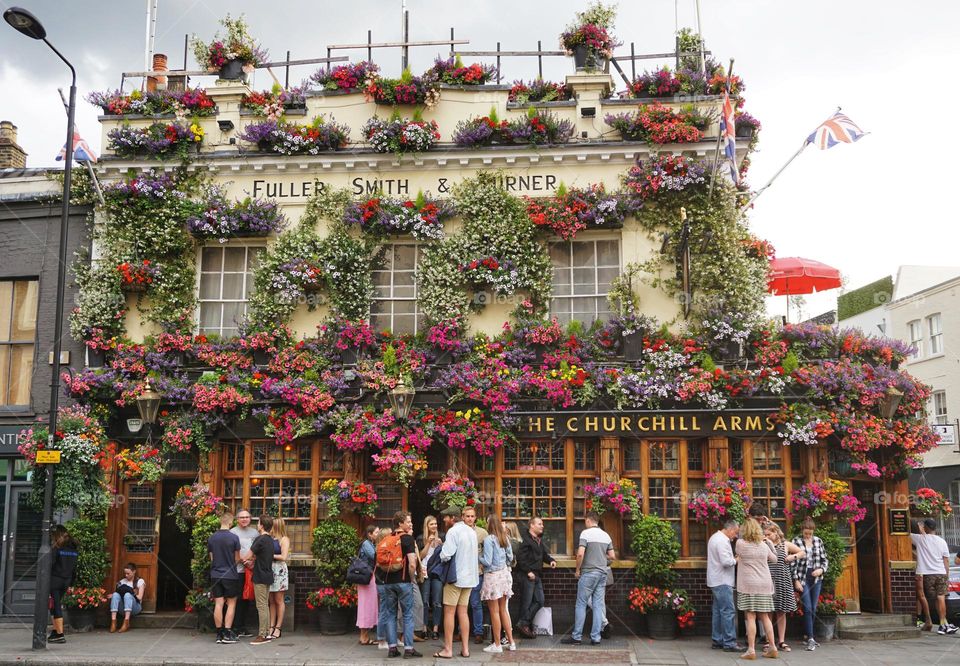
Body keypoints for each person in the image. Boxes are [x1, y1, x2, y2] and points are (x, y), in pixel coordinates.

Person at [561, 511, 615, 647]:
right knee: (597, 606)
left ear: (588, 520)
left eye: (585, 521)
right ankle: (596, 638)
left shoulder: (585, 533)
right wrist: (602, 560)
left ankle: (576, 637)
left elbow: (580, 554)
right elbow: (612, 556)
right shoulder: (606, 535)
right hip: (602, 574)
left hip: (588, 573)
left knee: (581, 604)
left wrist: (577, 570)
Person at [375, 511, 422, 659]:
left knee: (390, 615)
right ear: (400, 524)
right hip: (404, 582)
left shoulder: (387, 538)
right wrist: (411, 578)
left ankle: (392, 648)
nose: (410, 524)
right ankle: (408, 649)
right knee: (407, 615)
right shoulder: (407, 538)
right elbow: (412, 563)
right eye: (408, 521)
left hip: (388, 583)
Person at [435, 505, 478, 659]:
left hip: (455, 578)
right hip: (470, 578)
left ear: (452, 518)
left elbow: (446, 555)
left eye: (446, 517)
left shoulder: (453, 531)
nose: (444, 520)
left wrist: (440, 551)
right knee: (463, 613)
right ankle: (465, 649)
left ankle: (448, 649)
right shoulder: (472, 531)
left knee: (449, 612)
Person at [735, 518, 778, 660]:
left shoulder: (740, 544)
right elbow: (775, 559)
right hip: (764, 584)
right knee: (765, 616)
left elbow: (738, 555)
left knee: (750, 616)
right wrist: (770, 543)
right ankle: (772, 647)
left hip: (748, 585)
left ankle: (751, 650)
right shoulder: (764, 546)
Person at [763, 521, 805, 653]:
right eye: (765, 534)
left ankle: (781, 641)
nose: (767, 537)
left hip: (783, 580)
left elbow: (802, 552)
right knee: (768, 611)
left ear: (776, 532)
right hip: (768, 580)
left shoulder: (785, 544)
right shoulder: (764, 544)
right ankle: (769, 641)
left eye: (769, 534)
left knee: (781, 611)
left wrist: (793, 556)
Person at [911, 518, 958, 635]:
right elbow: (946, 560)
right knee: (940, 597)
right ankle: (943, 624)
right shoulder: (942, 541)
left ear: (925, 527)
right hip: (941, 572)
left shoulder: (920, 539)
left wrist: (920, 529)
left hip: (927, 574)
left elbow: (904, 533)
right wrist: (946, 574)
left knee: (928, 598)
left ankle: (935, 622)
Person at [479, 514, 516, 653]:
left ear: (489, 524)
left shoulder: (489, 539)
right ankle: (511, 642)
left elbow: (487, 561)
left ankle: (497, 644)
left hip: (492, 577)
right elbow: (510, 557)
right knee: (503, 610)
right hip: (504, 575)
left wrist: (478, 556)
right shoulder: (504, 537)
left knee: (494, 612)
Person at [515, 516, 556, 639]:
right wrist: (528, 571)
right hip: (527, 576)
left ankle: (523, 623)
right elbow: (520, 558)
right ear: (531, 525)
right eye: (539, 524)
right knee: (526, 603)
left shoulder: (538, 540)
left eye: (542, 524)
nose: (542, 526)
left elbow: (543, 554)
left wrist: (551, 560)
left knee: (540, 601)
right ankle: (524, 626)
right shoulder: (526, 540)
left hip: (536, 575)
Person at [790, 517, 827, 651]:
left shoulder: (818, 541)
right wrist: (796, 580)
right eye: (806, 533)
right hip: (803, 577)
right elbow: (793, 563)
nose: (808, 536)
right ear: (802, 531)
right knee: (808, 607)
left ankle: (808, 635)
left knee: (813, 608)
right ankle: (811, 638)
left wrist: (821, 570)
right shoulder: (796, 541)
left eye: (810, 533)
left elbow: (824, 560)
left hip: (816, 578)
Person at [707, 519, 743, 653]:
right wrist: (736, 559)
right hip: (723, 580)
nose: (736, 536)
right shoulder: (722, 541)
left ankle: (717, 640)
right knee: (728, 611)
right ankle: (729, 642)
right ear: (730, 529)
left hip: (715, 580)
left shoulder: (714, 538)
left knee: (718, 612)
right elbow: (726, 562)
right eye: (735, 532)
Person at [207, 511, 241, 645]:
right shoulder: (234, 538)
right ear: (231, 523)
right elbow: (237, 558)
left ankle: (218, 633)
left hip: (215, 574)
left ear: (220, 521)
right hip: (230, 575)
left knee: (218, 603)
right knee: (231, 603)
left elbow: (212, 558)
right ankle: (227, 632)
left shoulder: (212, 538)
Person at [230, 508, 259, 638]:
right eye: (242, 517)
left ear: (250, 518)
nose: (244, 519)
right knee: (236, 599)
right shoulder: (232, 532)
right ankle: (234, 627)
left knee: (247, 599)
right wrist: (242, 561)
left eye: (247, 517)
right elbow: (231, 552)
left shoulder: (255, 533)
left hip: (250, 570)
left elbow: (258, 550)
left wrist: (252, 561)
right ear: (237, 519)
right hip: (237, 571)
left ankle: (242, 627)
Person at [47, 525, 78, 644]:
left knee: (55, 605)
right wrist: (71, 583)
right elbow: (74, 570)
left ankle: (60, 634)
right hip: (66, 581)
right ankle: (55, 631)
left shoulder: (57, 549)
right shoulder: (73, 551)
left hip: (55, 580)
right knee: (54, 605)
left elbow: (50, 565)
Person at [463, 505, 488, 644]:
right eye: (467, 516)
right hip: (462, 573)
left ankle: (478, 632)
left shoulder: (482, 533)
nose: (470, 519)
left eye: (472, 516)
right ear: (463, 517)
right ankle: (461, 632)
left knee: (475, 603)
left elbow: (488, 551)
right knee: (462, 605)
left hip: (477, 572)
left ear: (475, 518)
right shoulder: (458, 531)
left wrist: (484, 564)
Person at [248, 515, 275, 645]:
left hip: (259, 575)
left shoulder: (260, 539)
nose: (257, 525)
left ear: (262, 525)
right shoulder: (270, 540)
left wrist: (239, 560)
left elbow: (248, 555)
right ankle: (267, 633)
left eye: (258, 523)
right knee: (265, 605)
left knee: (261, 606)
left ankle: (262, 634)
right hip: (268, 574)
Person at [417, 516, 443, 641]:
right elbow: (420, 556)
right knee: (425, 601)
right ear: (426, 526)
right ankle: (424, 628)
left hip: (437, 572)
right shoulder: (420, 538)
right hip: (425, 572)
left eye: (435, 523)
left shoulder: (441, 537)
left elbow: (444, 556)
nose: (434, 526)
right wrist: (428, 543)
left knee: (437, 601)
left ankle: (435, 629)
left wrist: (442, 545)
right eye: (431, 524)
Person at [357, 524, 380, 646]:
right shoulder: (367, 544)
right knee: (366, 606)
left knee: (368, 606)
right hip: (367, 578)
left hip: (368, 578)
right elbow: (376, 557)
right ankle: (364, 637)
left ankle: (364, 636)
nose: (378, 534)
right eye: (376, 532)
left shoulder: (371, 544)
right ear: (370, 534)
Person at [268, 516, 290, 640]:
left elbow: (284, 556)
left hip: (279, 570)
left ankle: (278, 627)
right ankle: (271, 626)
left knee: (279, 600)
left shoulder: (284, 539)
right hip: (269, 570)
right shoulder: (269, 538)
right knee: (271, 600)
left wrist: (269, 555)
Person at [109, 563, 145, 633]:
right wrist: (114, 595)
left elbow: (140, 597)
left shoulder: (140, 581)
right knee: (115, 594)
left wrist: (130, 593)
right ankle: (113, 622)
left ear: (134, 571)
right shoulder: (122, 581)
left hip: (135, 608)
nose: (126, 575)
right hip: (123, 608)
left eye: (128, 573)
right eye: (125, 573)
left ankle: (126, 622)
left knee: (127, 595)